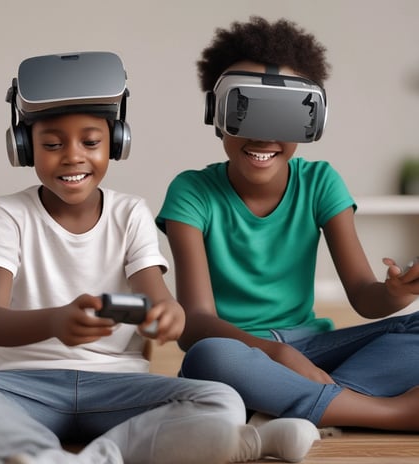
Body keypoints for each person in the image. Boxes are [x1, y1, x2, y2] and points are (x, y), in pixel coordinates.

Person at [0, 51, 318, 464]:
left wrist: (168, 315)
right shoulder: (7, 213)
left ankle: (68, 459)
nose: (72, 156)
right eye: (52, 144)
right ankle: (245, 444)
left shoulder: (130, 212)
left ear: (116, 142)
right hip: (25, 385)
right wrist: (54, 320)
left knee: (220, 398)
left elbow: (157, 299)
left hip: (119, 386)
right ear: (24, 147)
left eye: (91, 142)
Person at [156, 16, 419, 432]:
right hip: (240, 350)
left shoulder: (320, 183)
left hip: (314, 348)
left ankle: (285, 403)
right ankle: (384, 412)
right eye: (247, 111)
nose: (264, 137)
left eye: (283, 117)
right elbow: (194, 325)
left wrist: (397, 293)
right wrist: (275, 356)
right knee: (208, 358)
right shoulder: (191, 193)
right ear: (216, 112)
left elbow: (365, 299)